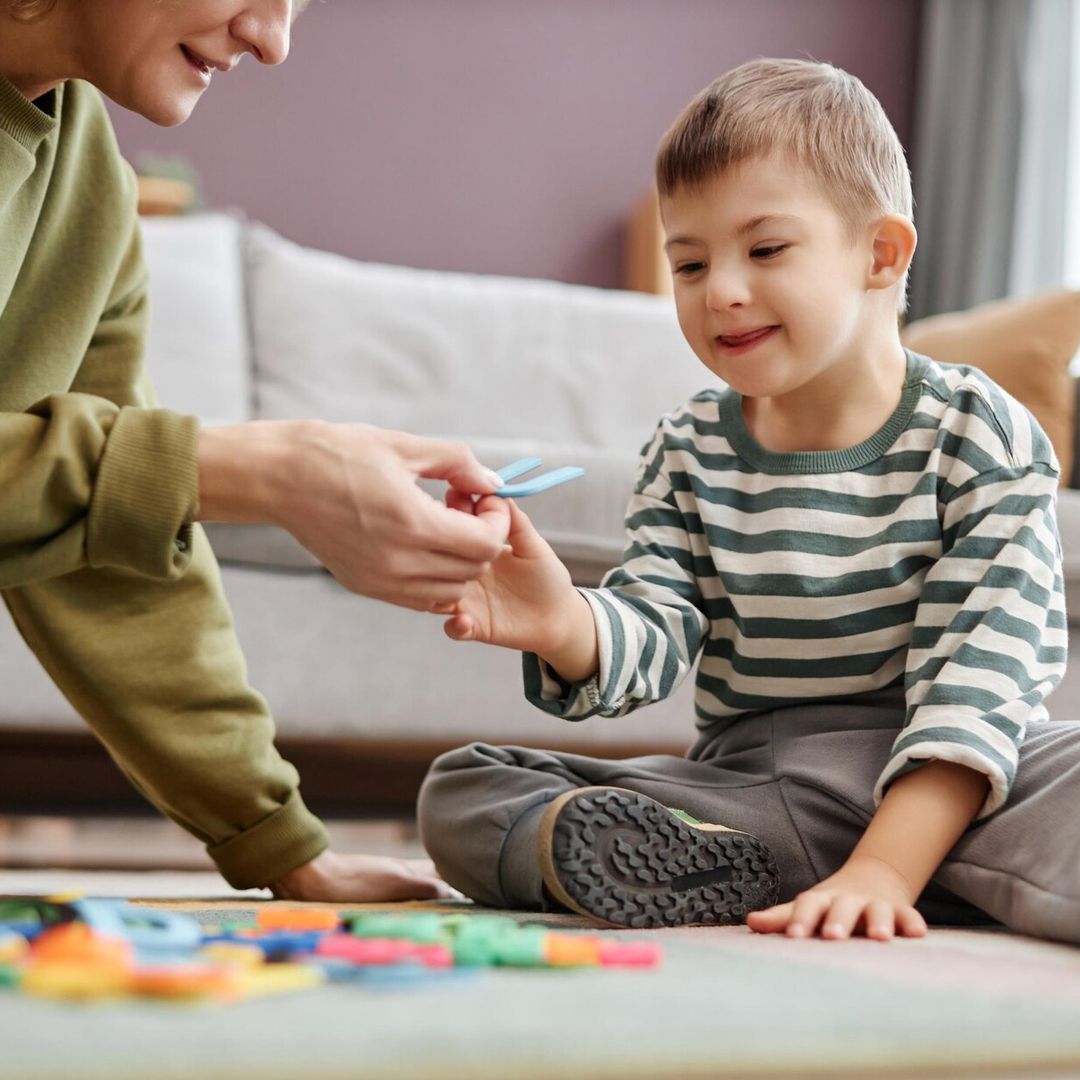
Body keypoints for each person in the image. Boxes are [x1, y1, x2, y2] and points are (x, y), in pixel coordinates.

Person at [418, 58, 1079, 943]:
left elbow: (981, 678)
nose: (720, 289)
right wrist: (563, 622)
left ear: (879, 253)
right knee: (466, 787)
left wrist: (886, 864)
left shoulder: (978, 435)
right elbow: (656, 628)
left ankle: (891, 872)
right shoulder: (689, 450)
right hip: (766, 776)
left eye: (765, 250)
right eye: (689, 264)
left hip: (967, 773)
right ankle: (791, 865)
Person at [0, 0, 510, 901]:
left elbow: (106, 545)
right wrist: (261, 470)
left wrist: (280, 843)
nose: (273, 42)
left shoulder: (88, 184)